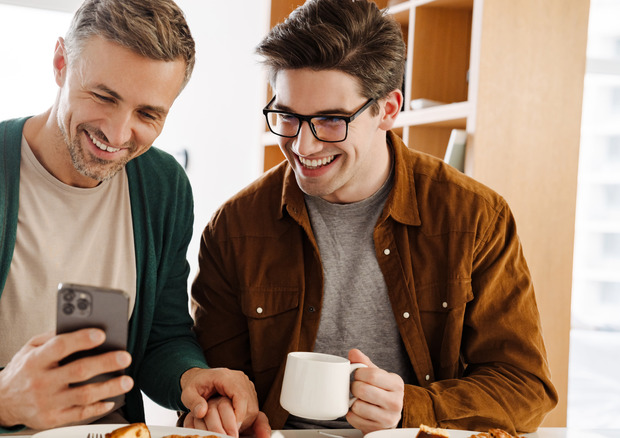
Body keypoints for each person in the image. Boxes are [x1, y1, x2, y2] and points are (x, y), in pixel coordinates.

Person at [0, 1, 260, 437]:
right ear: (60, 63)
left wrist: (190, 378)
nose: (117, 133)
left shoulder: (164, 188)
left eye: (148, 114)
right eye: (103, 96)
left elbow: (161, 339)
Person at [189, 0, 558, 435]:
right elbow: (213, 382)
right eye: (288, 116)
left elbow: (526, 388)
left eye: (330, 120)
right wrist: (218, 409)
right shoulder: (234, 229)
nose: (303, 148)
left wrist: (411, 408)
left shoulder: (474, 217)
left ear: (388, 109)